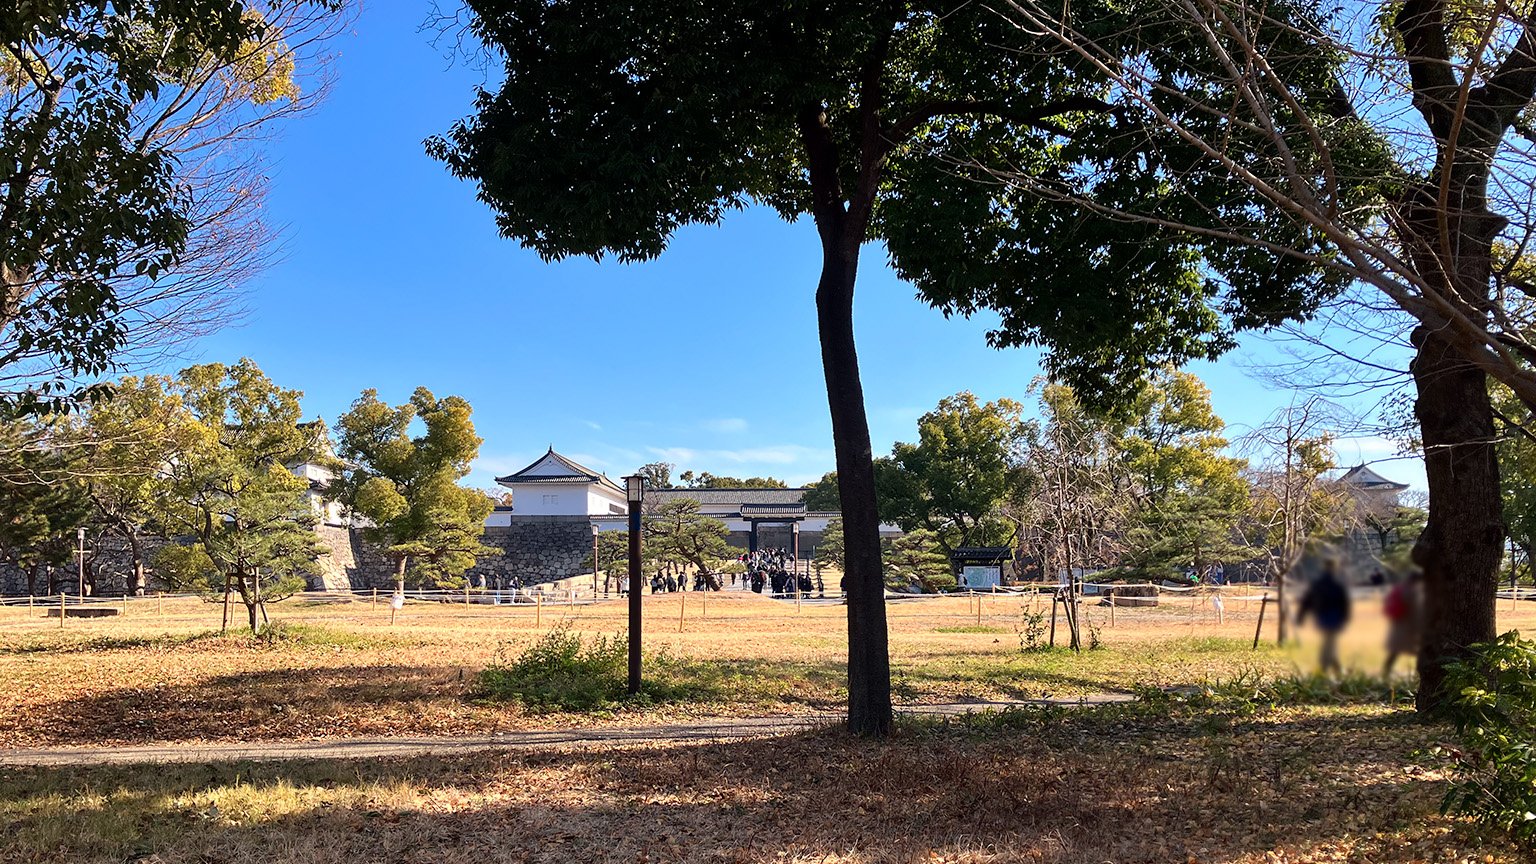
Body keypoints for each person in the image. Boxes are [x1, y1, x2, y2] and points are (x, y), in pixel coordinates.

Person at [1296, 561, 1351, 675]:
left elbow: (1307, 601)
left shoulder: (1318, 584)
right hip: (1333, 616)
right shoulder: (1336, 585)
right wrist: (1345, 617)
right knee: (1330, 642)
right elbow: (1344, 603)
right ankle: (1326, 668)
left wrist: (1301, 616)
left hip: (1322, 616)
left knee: (1329, 642)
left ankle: (1335, 668)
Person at [1383, 570, 1424, 678]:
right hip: (1409, 627)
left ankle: (1386, 672)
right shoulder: (1413, 591)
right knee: (1421, 651)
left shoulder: (1401, 588)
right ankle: (1420, 675)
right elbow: (1416, 611)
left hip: (1399, 625)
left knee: (1395, 650)